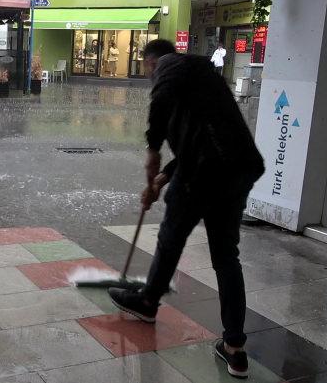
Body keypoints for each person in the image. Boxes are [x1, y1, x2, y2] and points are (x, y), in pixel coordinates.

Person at [108, 39, 264, 379]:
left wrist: (152, 149)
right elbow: (204, 140)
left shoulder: (169, 67)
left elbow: (161, 102)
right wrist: (160, 181)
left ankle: (148, 302)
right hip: (236, 169)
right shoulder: (202, 77)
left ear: (150, 63)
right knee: (226, 257)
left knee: (170, 239)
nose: (151, 75)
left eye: (148, 68)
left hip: (203, 172)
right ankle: (235, 348)